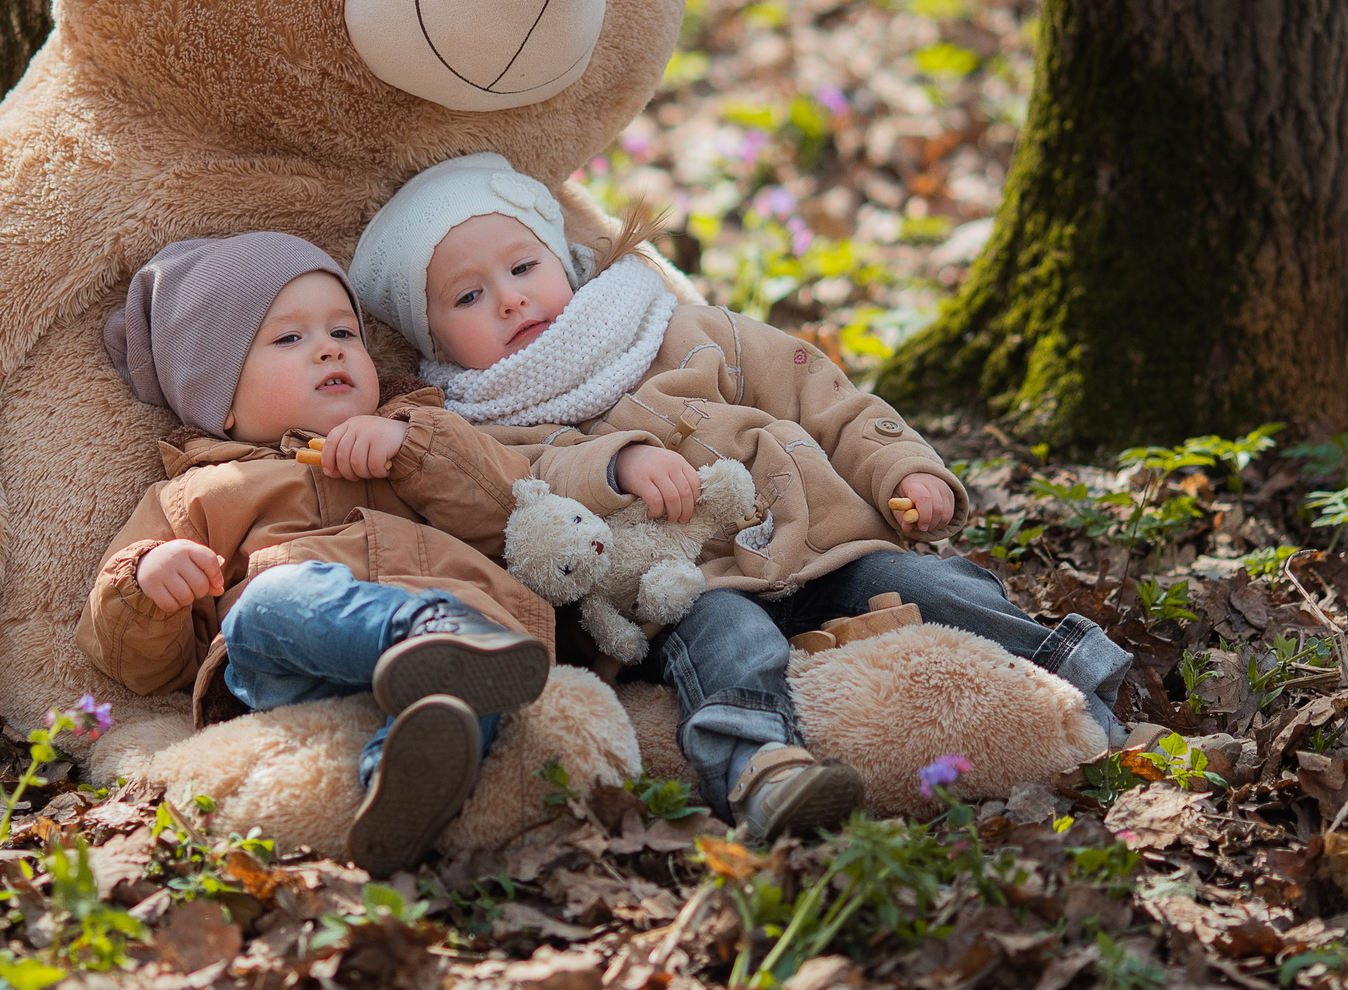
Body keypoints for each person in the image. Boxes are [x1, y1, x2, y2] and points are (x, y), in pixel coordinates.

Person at [349, 156, 1131, 842]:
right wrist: (614, 463)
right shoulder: (483, 419)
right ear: (435, 339)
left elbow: (825, 398)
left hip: (822, 546)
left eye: (524, 267)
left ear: (567, 259)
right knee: (732, 645)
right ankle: (762, 768)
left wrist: (902, 471)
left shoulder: (685, 329)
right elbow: (518, 490)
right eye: (469, 295)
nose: (511, 300)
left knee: (937, 585)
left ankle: (1085, 684)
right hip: (688, 590)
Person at [77, 232, 556, 874]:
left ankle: (403, 779)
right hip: (288, 668)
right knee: (267, 602)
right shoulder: (199, 492)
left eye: (343, 331)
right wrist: (146, 584)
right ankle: (433, 651)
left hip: (465, 615)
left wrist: (412, 449)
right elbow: (137, 665)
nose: (331, 347)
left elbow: (510, 514)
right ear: (219, 400)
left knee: (466, 693)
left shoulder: (423, 433)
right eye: (288, 338)